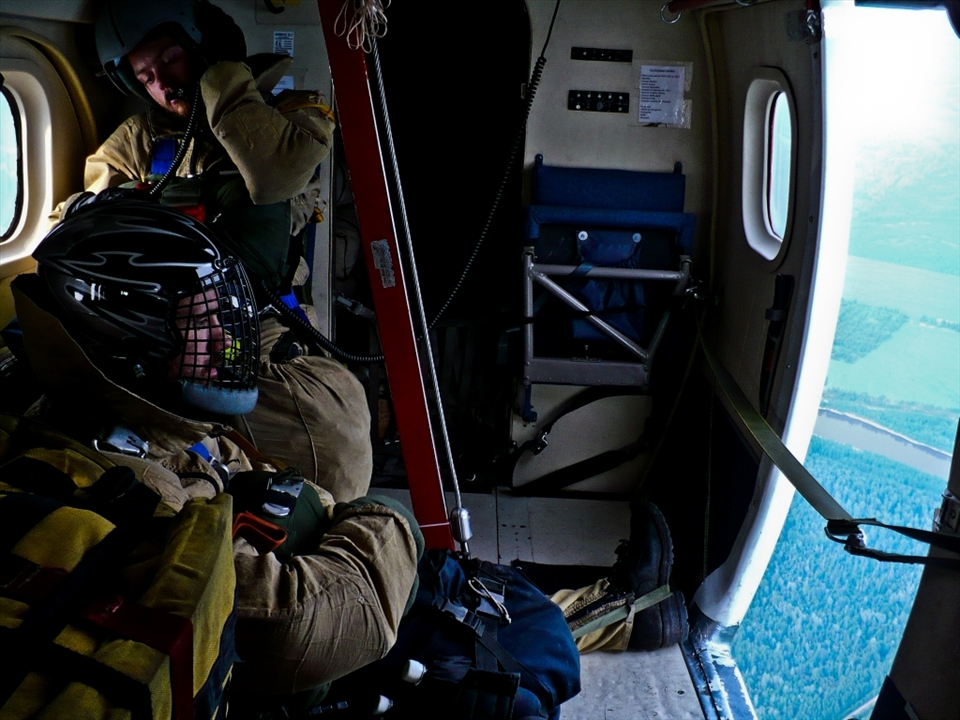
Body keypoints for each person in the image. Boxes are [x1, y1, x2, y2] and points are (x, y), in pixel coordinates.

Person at [12, 196, 422, 711]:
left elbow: (275, 481)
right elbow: (296, 629)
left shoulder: (166, 426)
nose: (225, 340)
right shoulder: (137, 486)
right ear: (131, 339)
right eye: (202, 321)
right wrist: (388, 522)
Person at [52, 0, 372, 505]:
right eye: (146, 75)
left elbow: (271, 178)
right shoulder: (138, 138)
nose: (162, 83)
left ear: (206, 46)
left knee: (335, 444)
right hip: (157, 336)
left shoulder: (294, 116)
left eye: (172, 59)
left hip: (259, 330)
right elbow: (74, 226)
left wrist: (221, 81)